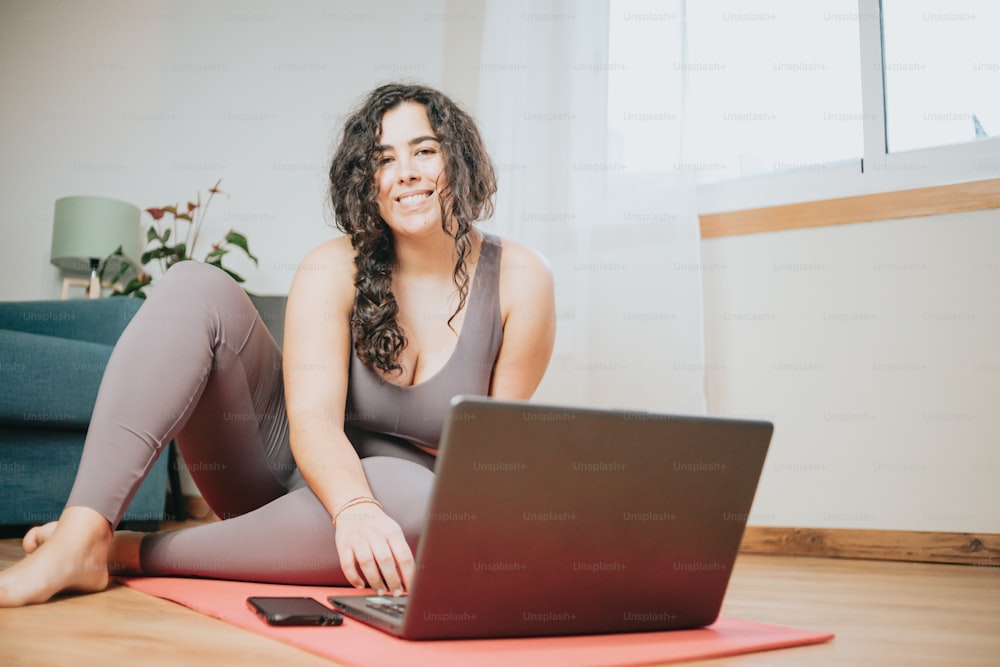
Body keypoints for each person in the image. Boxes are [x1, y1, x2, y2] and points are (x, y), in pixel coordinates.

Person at [0, 83, 556, 607]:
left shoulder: (520, 281)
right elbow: (311, 423)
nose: (405, 174)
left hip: (407, 510)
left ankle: (124, 551)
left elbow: (487, 463)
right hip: (275, 473)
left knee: (425, 500)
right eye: (384, 160)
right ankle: (82, 534)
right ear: (366, 182)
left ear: (458, 159)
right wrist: (355, 504)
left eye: (424, 151)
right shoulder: (333, 266)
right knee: (194, 285)